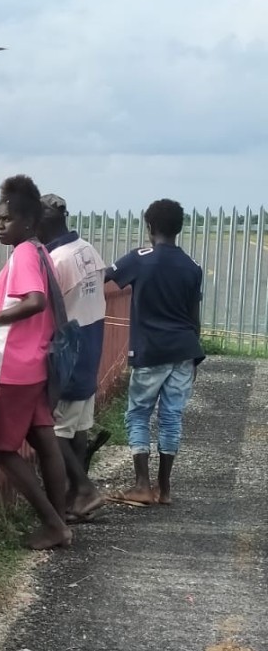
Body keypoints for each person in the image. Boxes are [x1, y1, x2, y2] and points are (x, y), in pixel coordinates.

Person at [0, 175, 72, 550]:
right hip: (36, 363)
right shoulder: (39, 251)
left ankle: (53, 524)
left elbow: (35, 301)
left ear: (29, 222)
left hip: (14, 367)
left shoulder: (22, 254)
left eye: (7, 219)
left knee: (1, 446)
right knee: (45, 442)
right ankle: (60, 520)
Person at [106, 198, 204, 505]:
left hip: (151, 350)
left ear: (149, 226)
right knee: (171, 416)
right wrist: (195, 357)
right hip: (184, 349)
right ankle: (165, 488)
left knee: (138, 413)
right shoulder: (193, 266)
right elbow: (194, 317)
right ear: (178, 228)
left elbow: (103, 277)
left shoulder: (140, 258)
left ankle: (141, 485)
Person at [36, 194, 107, 521]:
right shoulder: (88, 250)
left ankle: (84, 489)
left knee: (53, 432)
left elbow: (45, 308)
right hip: (90, 346)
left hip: (68, 355)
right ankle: (76, 499)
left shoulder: (57, 261)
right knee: (78, 429)